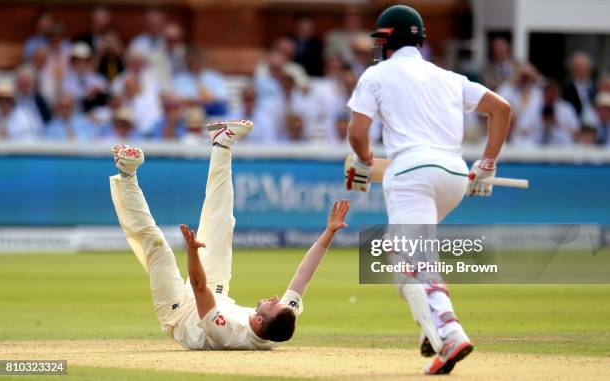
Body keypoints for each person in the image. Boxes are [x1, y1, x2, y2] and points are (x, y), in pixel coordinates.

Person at [344, 5, 511, 375]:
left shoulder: (376, 75)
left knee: (415, 261)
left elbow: (357, 134)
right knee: (400, 253)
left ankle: (449, 330)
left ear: (388, 39)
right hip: (453, 175)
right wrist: (486, 164)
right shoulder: (448, 77)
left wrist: (363, 160)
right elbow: (501, 109)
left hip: (412, 175)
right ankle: (431, 327)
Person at [109, 119, 350, 350]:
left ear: (258, 322)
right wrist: (329, 232)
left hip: (180, 313)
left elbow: (199, 286)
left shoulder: (229, 332)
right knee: (222, 223)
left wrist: (192, 252)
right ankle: (221, 143)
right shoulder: (280, 323)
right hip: (215, 294)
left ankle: (126, 174)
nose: (277, 298)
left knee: (158, 247)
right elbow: (303, 276)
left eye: (273, 305)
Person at [563, 52, 596, 119]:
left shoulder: (596, 87)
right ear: (571, 69)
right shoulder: (565, 88)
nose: (580, 70)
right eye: (577, 67)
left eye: (583, 67)